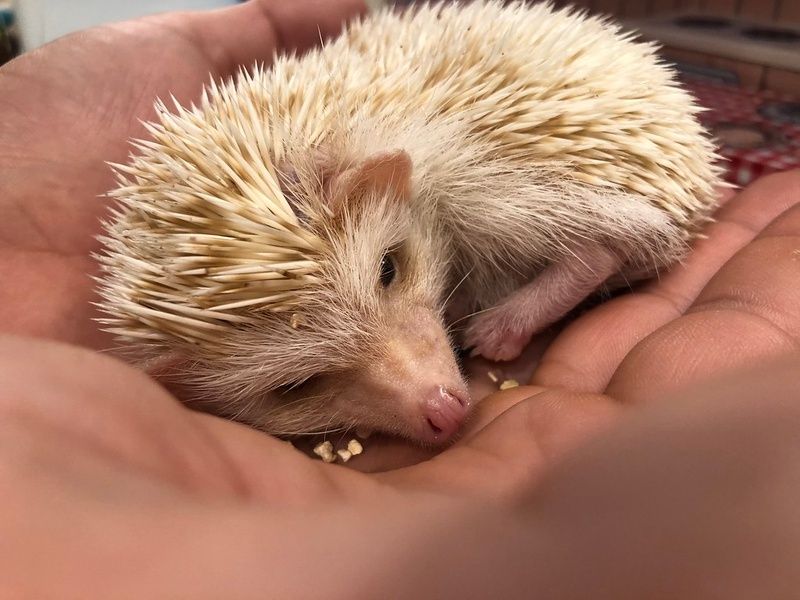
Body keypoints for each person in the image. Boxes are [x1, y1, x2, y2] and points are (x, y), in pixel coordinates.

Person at [1, 0, 799, 597]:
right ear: (178, 386)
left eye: (388, 273)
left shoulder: (425, 160)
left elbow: (632, 233)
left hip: (572, 205)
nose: (430, 397)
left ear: (383, 181)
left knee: (521, 215)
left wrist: (522, 309)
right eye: (299, 384)